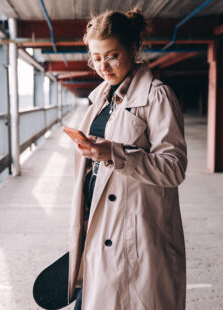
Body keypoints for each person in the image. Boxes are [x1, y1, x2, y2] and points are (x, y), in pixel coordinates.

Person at [68, 9, 188, 310]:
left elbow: (174, 168)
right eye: (96, 57)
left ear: (134, 50)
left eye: (112, 55)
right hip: (99, 228)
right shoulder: (99, 99)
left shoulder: (156, 96)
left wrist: (114, 154)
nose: (103, 66)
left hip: (136, 233)